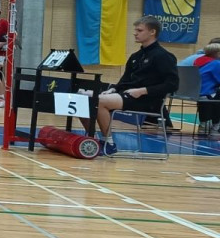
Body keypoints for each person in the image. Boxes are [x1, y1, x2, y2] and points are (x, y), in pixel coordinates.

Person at [81, 17, 179, 156]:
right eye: (135, 30)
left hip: (147, 100)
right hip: (128, 96)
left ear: (152, 32)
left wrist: (143, 91)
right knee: (84, 98)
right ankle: (93, 139)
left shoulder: (163, 56)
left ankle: (109, 143)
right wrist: (113, 89)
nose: (135, 33)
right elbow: (125, 81)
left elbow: (172, 84)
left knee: (99, 101)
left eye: (139, 30)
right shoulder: (135, 56)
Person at [195, 43, 220, 136]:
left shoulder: (198, 61)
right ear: (217, 53)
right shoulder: (216, 63)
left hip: (195, 92)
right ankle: (216, 126)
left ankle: (203, 124)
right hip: (207, 93)